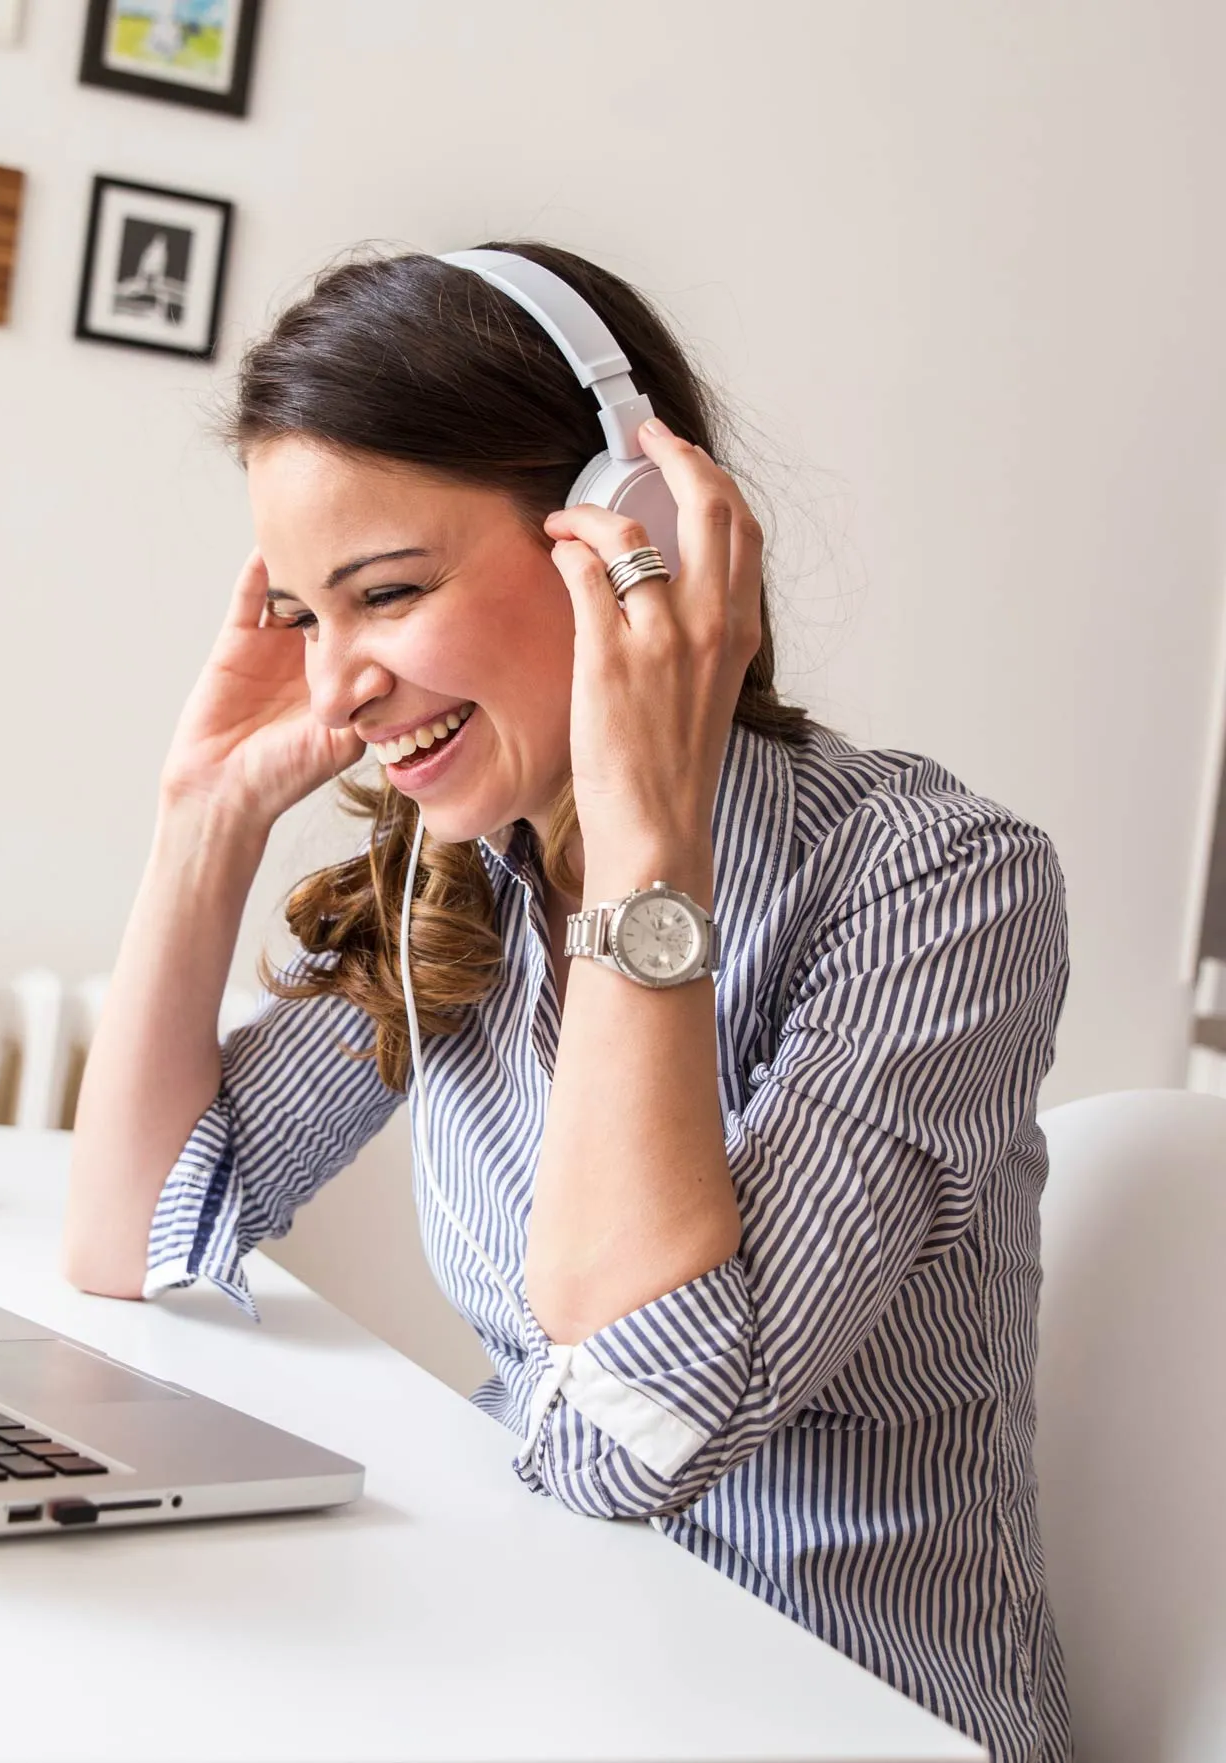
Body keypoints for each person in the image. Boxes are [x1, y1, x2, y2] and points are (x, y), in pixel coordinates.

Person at [61, 241, 1070, 1763]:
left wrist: (646, 842)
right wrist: (203, 817)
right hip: (546, 1661)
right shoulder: (466, 871)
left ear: (628, 532)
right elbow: (130, 1235)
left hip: (847, 1714)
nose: (336, 687)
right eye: (303, 616)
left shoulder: (939, 886)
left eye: (386, 593)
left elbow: (629, 1431)